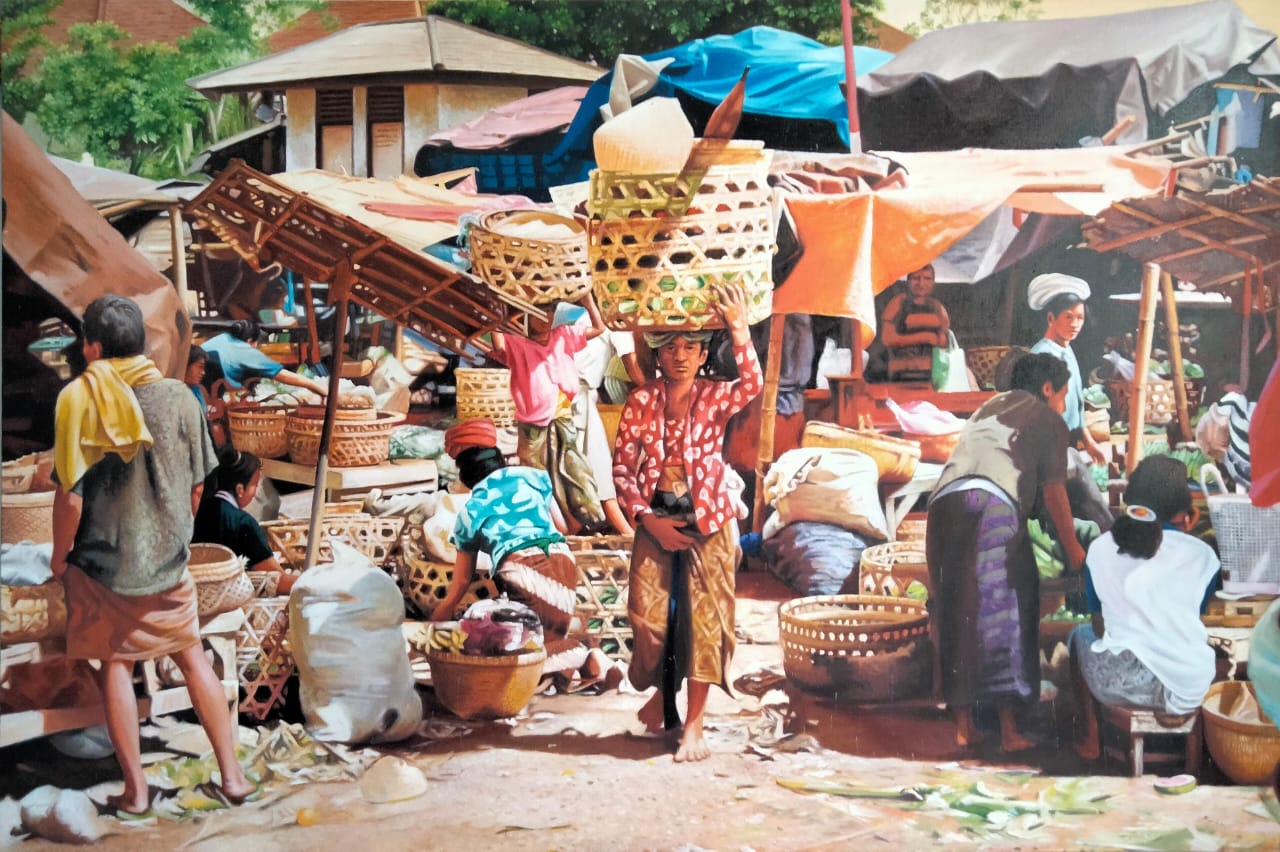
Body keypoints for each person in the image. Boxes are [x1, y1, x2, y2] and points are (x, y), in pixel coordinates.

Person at [50, 295, 253, 815]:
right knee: (191, 655)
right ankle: (232, 777)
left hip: (104, 566)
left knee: (115, 664)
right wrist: (173, 536)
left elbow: (69, 497)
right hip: (168, 561)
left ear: (91, 346)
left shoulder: (77, 398)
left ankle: (137, 791)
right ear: (141, 344)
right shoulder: (183, 398)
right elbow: (196, 487)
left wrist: (58, 560)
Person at [613, 282, 762, 763]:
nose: (680, 356)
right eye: (671, 346)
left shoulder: (714, 396)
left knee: (707, 618)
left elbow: (752, 385)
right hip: (656, 517)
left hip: (711, 517)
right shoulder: (641, 401)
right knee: (649, 619)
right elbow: (621, 467)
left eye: (691, 347)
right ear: (658, 354)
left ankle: (693, 724)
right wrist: (647, 521)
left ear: (702, 355)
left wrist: (739, 329)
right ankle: (660, 692)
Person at [926, 352, 1086, 752]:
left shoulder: (991, 405)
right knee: (1008, 607)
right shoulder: (1049, 420)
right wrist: (1075, 552)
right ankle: (1010, 730)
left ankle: (964, 727)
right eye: (1063, 394)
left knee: (956, 609)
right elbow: (1054, 492)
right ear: (1047, 389)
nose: (1063, 405)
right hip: (989, 506)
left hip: (943, 504)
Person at [1070, 455, 1220, 759]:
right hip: (1188, 685)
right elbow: (1192, 615)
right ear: (1187, 514)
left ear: (1131, 503)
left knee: (1079, 635)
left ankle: (1090, 737)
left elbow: (1100, 628)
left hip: (1123, 684)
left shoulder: (1100, 549)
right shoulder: (1204, 555)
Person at [429, 418, 581, 663]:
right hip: (564, 563)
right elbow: (562, 527)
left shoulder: (471, 511)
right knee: (546, 637)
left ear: (464, 473)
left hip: (521, 570)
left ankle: (576, 657)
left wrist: (433, 624)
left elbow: (460, 584)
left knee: (504, 649)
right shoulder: (534, 477)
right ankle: (580, 659)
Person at [491, 299, 607, 534]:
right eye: (538, 315)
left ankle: (582, 521)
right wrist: (496, 313)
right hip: (532, 423)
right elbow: (500, 346)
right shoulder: (517, 343)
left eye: (550, 315)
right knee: (536, 475)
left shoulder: (563, 336)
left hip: (562, 417)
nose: (545, 321)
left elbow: (599, 328)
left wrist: (588, 301)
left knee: (573, 470)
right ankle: (553, 527)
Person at [574, 310, 646, 536]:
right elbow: (631, 364)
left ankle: (625, 532)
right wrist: (654, 393)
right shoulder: (617, 319)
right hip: (576, 399)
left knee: (590, 469)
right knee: (598, 469)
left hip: (572, 396)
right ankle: (628, 534)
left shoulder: (579, 314)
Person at [1027, 273, 1109, 466]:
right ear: (1050, 318)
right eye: (1068, 317)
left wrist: (1089, 443)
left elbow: (1077, 405)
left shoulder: (1067, 350)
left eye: (1080, 318)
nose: (1075, 325)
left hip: (1068, 442)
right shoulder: (1041, 355)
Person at [193, 447, 297, 595]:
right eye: (254, 484)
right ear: (240, 489)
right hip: (234, 599)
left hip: (202, 594)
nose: (255, 492)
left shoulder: (200, 510)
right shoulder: (244, 523)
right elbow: (277, 581)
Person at [201, 318, 328, 399]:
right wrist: (316, 386)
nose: (257, 347)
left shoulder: (223, 338)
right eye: (257, 344)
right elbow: (282, 375)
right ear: (250, 341)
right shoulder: (243, 350)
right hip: (207, 395)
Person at [880, 264, 951, 383]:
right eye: (916, 278)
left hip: (933, 373)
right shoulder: (898, 302)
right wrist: (925, 337)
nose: (921, 284)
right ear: (908, 281)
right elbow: (887, 338)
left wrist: (939, 340)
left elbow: (945, 340)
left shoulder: (938, 307)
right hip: (901, 373)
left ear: (933, 282)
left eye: (927, 279)